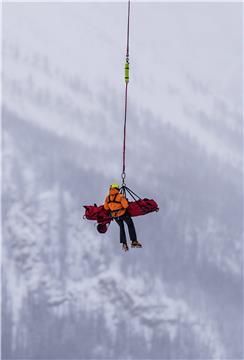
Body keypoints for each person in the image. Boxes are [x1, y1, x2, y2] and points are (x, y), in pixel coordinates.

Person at [104, 183, 142, 251]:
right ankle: (134, 241)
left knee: (121, 227)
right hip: (123, 214)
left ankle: (124, 244)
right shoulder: (120, 196)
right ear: (117, 189)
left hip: (115, 216)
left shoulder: (107, 198)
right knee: (130, 224)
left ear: (111, 188)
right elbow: (126, 206)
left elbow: (106, 208)